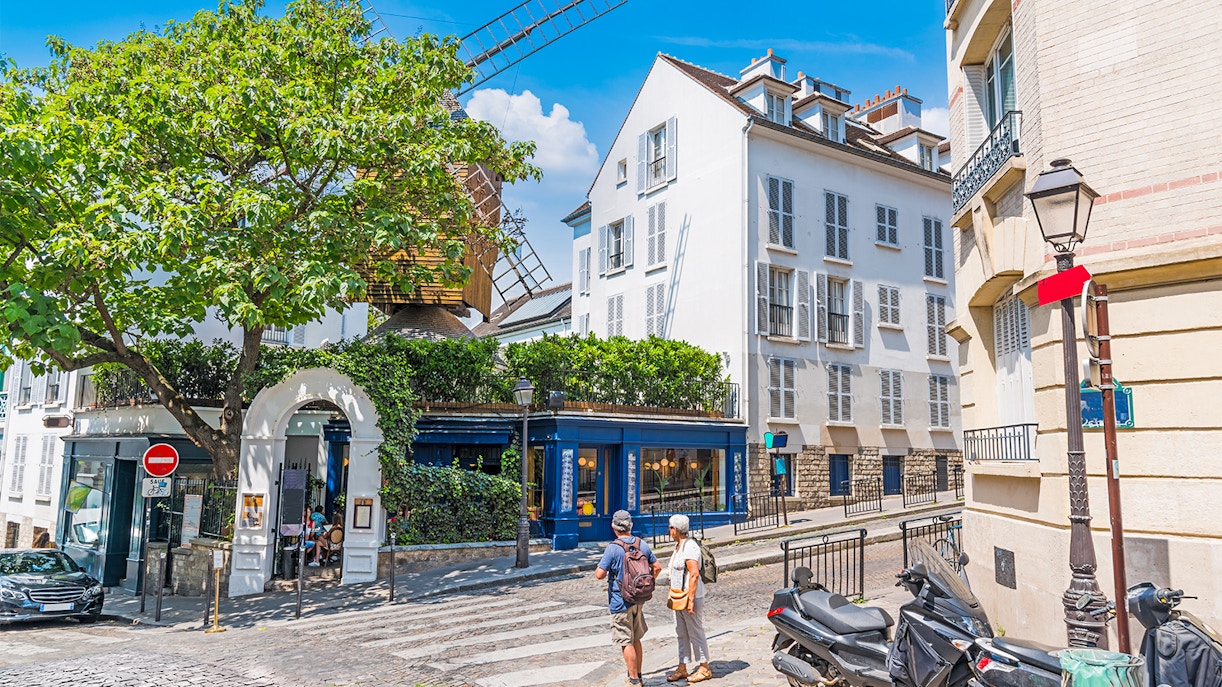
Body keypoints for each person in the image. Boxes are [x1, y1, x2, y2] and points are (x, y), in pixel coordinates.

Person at [595, 510, 661, 687]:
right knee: (636, 639)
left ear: (613, 527)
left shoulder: (613, 548)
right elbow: (657, 566)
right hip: (638, 599)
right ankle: (638, 674)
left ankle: (633, 680)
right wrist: (648, 583)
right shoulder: (642, 544)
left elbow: (599, 574)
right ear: (630, 525)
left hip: (620, 601)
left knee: (625, 641)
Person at [666, 514, 712, 683]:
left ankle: (704, 667)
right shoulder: (678, 545)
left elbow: (694, 574)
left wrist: (691, 600)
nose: (669, 530)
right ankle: (682, 666)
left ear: (676, 530)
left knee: (695, 631)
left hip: (690, 596)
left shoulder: (690, 546)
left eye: (670, 527)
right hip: (678, 595)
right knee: (681, 632)